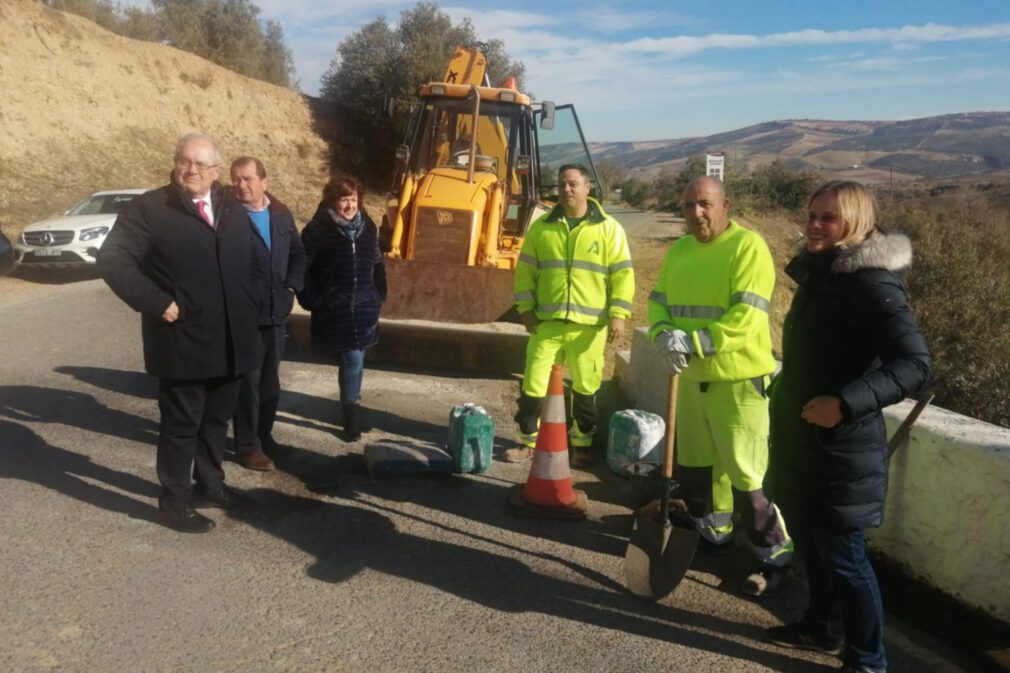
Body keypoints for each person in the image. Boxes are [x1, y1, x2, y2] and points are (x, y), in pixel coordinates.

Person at [764, 181, 930, 673]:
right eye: (812, 215)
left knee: (845, 558)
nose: (815, 225)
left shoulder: (871, 283)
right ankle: (822, 627)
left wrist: (843, 402)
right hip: (805, 441)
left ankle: (869, 660)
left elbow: (915, 364)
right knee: (814, 544)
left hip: (842, 448)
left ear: (855, 223)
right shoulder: (825, 272)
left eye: (828, 218)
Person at [98, 133, 267, 533]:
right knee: (181, 426)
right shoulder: (151, 208)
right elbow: (113, 258)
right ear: (175, 164)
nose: (190, 170)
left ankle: (211, 485)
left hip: (230, 340)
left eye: (200, 164)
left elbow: (254, 258)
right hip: (182, 340)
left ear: (215, 172)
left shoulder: (230, 206)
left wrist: (253, 301)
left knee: (216, 421)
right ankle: (173, 503)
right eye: (183, 162)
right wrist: (155, 301)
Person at [648, 175, 792, 596]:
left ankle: (775, 555)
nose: (697, 213)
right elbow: (659, 303)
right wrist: (661, 336)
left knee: (746, 475)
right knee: (698, 468)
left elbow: (746, 318)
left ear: (725, 205)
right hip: (691, 380)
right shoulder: (679, 250)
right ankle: (716, 535)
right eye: (689, 206)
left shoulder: (748, 247)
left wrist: (690, 343)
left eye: (705, 204)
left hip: (737, 381)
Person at [509, 164, 634, 465]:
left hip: (588, 328)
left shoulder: (609, 229)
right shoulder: (542, 227)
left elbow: (622, 275)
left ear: (587, 188)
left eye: (574, 184)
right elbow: (525, 272)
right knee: (533, 385)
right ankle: (529, 442)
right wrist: (525, 311)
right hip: (546, 325)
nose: (567, 189)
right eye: (563, 184)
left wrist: (618, 314)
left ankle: (581, 444)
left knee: (586, 388)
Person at [229, 157, 306, 471]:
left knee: (270, 383)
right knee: (247, 383)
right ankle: (247, 447)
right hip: (245, 316)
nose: (241, 186)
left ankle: (264, 436)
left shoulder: (280, 214)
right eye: (236, 180)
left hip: (276, 314)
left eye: (248, 179)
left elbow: (299, 254)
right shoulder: (229, 216)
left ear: (265, 182)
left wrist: (291, 288)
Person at [297, 174, 386, 441]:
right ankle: (350, 420)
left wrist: (379, 292)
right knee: (352, 359)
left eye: (354, 199)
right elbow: (303, 266)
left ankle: (353, 412)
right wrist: (312, 298)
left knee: (357, 359)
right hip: (335, 309)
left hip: (363, 309)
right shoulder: (317, 230)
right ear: (332, 200)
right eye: (343, 199)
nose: (349, 206)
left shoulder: (368, 226)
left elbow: (377, 262)